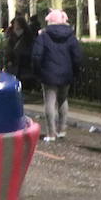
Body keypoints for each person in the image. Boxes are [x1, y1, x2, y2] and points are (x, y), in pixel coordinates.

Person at [30, 9, 83, 141]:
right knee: (63, 100)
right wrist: (75, 71)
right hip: (66, 73)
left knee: (49, 102)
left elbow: (36, 55)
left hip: (48, 72)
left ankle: (51, 132)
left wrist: (37, 71)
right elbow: (77, 56)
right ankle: (62, 129)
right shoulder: (71, 36)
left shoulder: (43, 36)